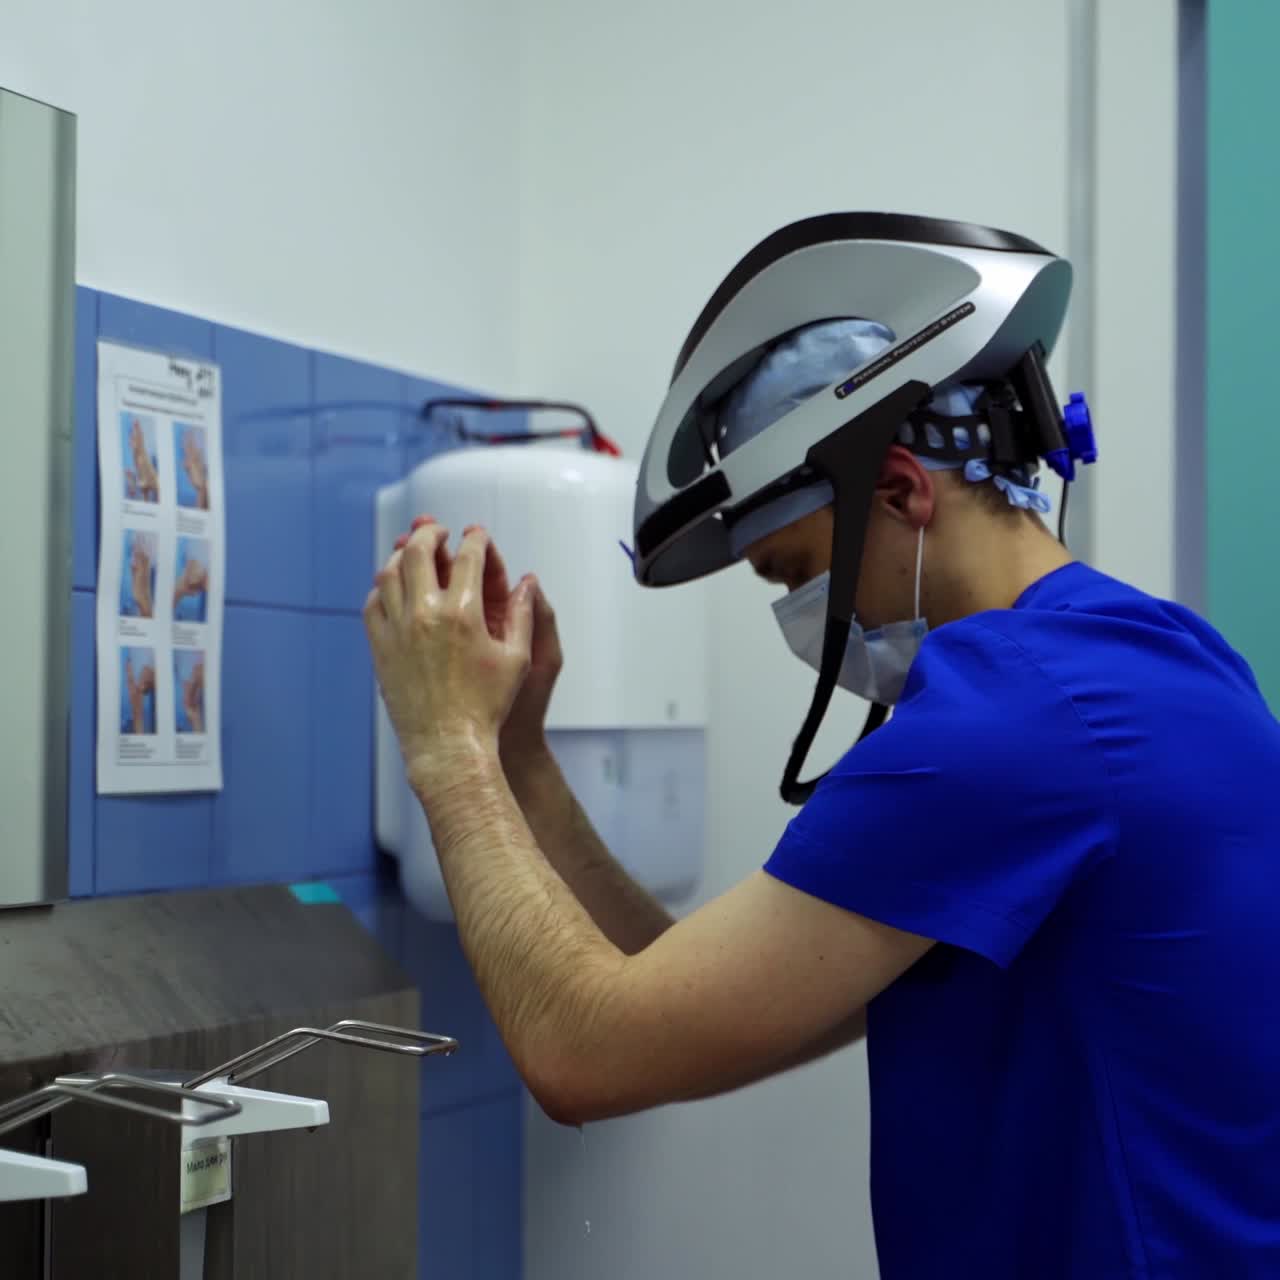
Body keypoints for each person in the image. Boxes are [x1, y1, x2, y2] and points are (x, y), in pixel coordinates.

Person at [366, 215, 1280, 1279]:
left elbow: (582, 1051)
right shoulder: (1163, 663)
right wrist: (519, 754)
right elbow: (675, 997)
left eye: (790, 569)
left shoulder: (1009, 729)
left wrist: (443, 746)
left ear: (897, 489)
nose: (800, 611)